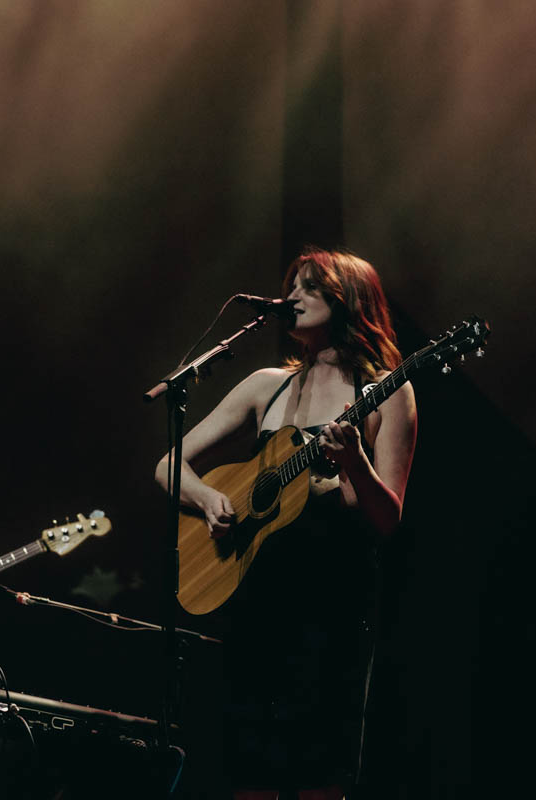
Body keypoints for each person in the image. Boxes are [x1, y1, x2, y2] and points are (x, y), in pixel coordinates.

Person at [155, 247, 417, 799]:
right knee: (250, 771)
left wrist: (356, 464)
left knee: (319, 773)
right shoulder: (265, 384)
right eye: (291, 286)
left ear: (347, 300)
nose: (290, 296)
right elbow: (169, 465)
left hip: (332, 605)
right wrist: (207, 499)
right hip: (257, 599)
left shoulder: (387, 391)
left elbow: (387, 518)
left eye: (308, 287)